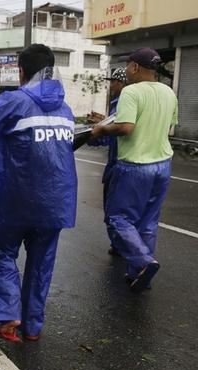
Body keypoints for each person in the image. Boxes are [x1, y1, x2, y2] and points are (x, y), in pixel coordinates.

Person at [0, 44, 77, 342]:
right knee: (41, 264)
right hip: (57, 203)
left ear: (22, 71)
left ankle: (6, 316)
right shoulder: (66, 108)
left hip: (19, 199)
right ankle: (33, 328)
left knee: (2, 252)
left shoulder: (13, 100)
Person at [91, 47, 178, 293]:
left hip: (135, 166)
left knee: (119, 218)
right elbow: (169, 127)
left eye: (128, 66)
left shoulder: (131, 91)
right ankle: (139, 275)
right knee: (148, 222)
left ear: (135, 67)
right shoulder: (169, 92)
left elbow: (125, 127)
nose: (127, 72)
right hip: (162, 164)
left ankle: (142, 262)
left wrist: (100, 129)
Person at [88, 67, 127, 256]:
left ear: (121, 82)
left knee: (113, 208)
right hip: (120, 162)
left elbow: (114, 132)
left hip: (119, 164)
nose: (111, 85)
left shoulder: (123, 104)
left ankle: (120, 245)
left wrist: (98, 131)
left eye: (113, 81)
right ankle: (120, 244)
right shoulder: (118, 104)